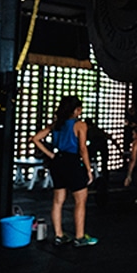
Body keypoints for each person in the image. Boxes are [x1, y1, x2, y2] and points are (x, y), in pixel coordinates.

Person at [31, 95, 98, 247]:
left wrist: (50, 155)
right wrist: (88, 169)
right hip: (72, 162)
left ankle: (59, 235)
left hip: (57, 162)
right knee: (80, 201)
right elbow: (82, 148)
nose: (80, 112)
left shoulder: (56, 124)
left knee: (57, 201)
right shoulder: (80, 125)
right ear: (75, 110)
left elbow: (35, 138)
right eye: (79, 109)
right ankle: (80, 237)